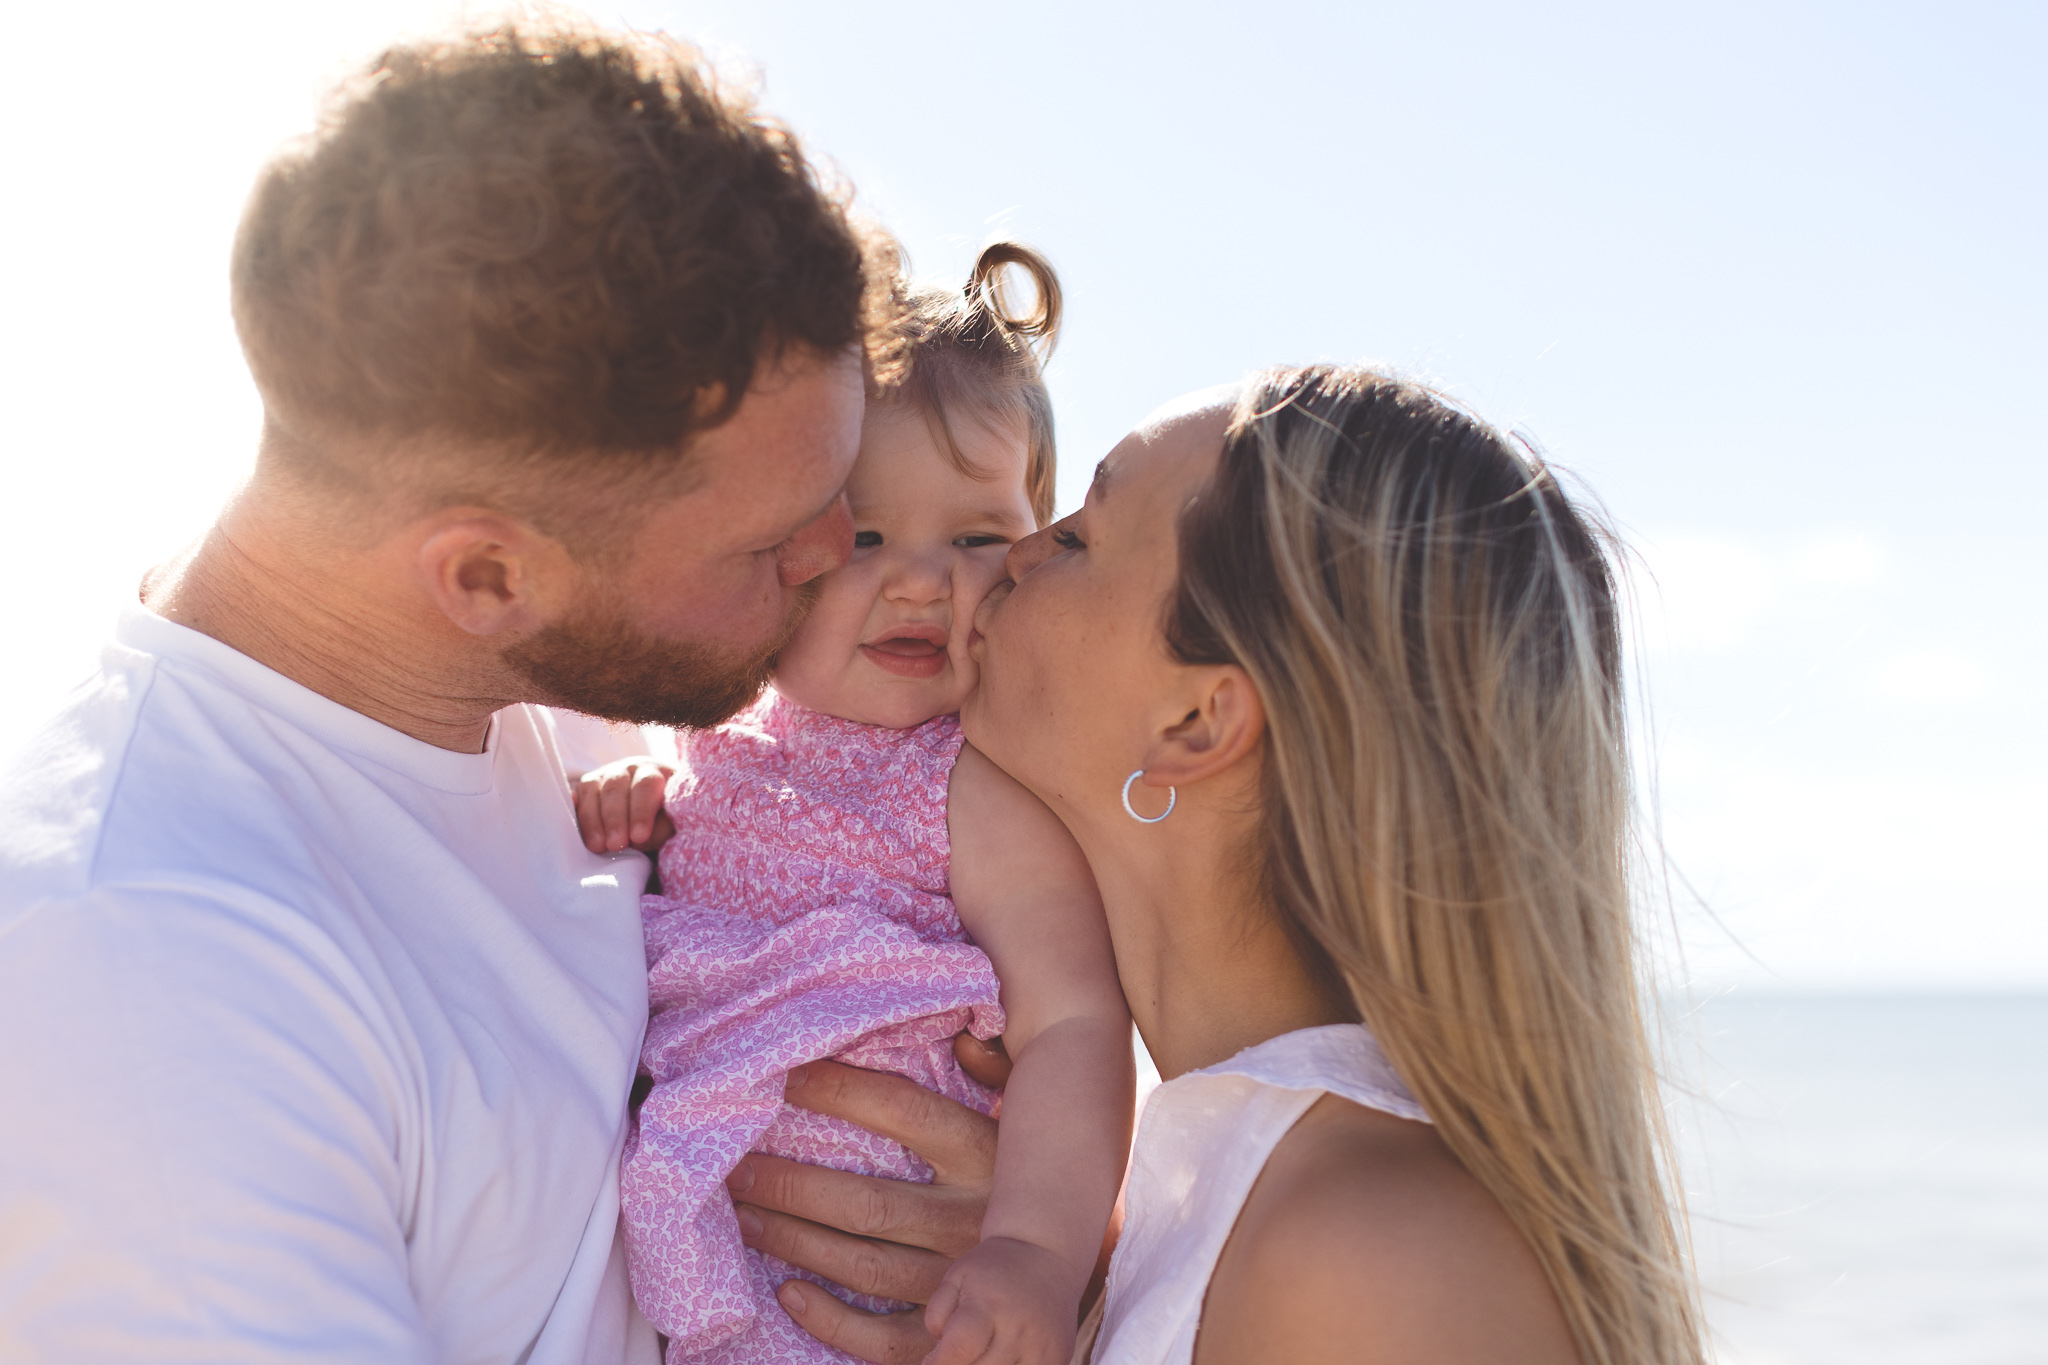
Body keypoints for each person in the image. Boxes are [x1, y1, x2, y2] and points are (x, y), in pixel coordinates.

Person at [0, 21, 1000, 1363]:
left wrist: (1020, 1240)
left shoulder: (583, 687)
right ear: (486, 574)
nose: (834, 564)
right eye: (780, 540)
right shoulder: (152, 976)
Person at [955, 365, 1706, 1364]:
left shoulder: (1365, 1264)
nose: (1017, 549)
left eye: (1081, 537)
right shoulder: (1206, 1198)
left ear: (1194, 721)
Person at [574, 245, 1131, 1365]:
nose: (922, 580)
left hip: (901, 1295)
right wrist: (644, 810)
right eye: (865, 536)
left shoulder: (976, 786)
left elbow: (1074, 1020)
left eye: (976, 537)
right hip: (715, 1259)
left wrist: (1031, 1248)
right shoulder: (706, 741)